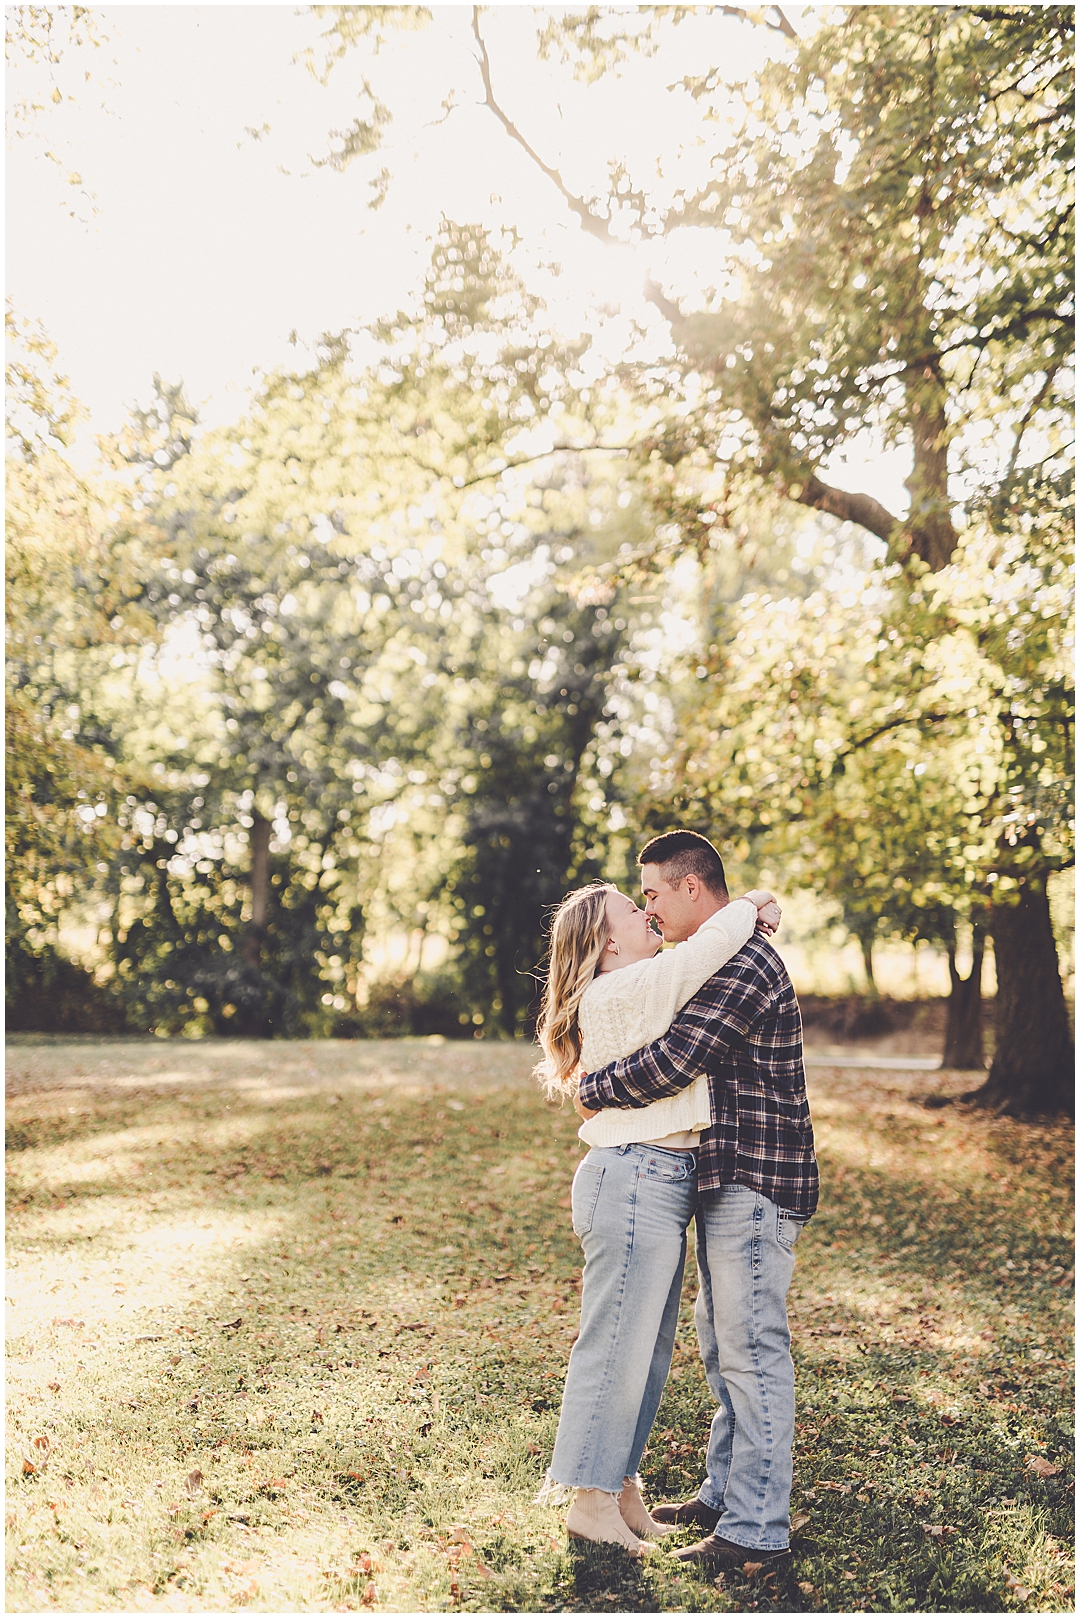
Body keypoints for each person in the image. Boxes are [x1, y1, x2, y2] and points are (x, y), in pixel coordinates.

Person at [577, 830, 819, 1575]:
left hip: (755, 1179)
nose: (648, 909)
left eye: (653, 893)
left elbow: (677, 1057)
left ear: (691, 887)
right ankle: (723, 1496)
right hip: (724, 1178)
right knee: (724, 1347)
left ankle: (756, 1531)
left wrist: (593, 1087)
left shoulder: (744, 962)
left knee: (750, 1352)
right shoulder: (719, 955)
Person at [533, 874, 782, 1556]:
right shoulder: (624, 988)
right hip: (634, 1177)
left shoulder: (637, 988)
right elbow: (707, 949)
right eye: (632, 908)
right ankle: (589, 1502)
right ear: (607, 943)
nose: (648, 913)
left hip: (657, 1179)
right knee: (616, 1347)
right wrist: (752, 903)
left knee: (643, 1352)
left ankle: (621, 1488)